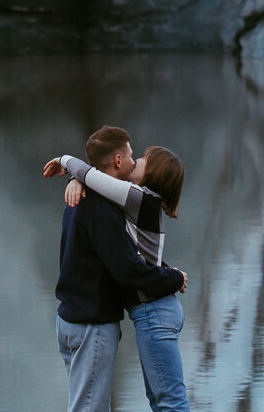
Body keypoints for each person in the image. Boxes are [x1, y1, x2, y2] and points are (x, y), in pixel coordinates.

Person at [45, 129, 191, 412]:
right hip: (97, 321)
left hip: (88, 317)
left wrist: (72, 170)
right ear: (118, 161)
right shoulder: (107, 204)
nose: (136, 160)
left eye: (144, 159)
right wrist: (172, 276)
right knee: (160, 403)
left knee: (166, 403)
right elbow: (130, 269)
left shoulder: (127, 200)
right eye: (134, 155)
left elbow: (131, 265)